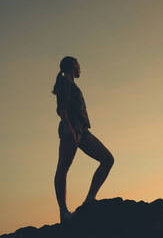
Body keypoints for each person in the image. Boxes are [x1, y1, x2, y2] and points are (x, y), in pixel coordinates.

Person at [52, 56, 115, 223]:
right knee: (62, 169)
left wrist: (77, 132)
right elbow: (62, 109)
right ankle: (64, 212)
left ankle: (89, 199)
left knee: (108, 159)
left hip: (82, 132)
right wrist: (70, 131)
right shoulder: (65, 82)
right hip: (71, 132)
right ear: (73, 65)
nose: (80, 68)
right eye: (79, 65)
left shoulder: (71, 83)